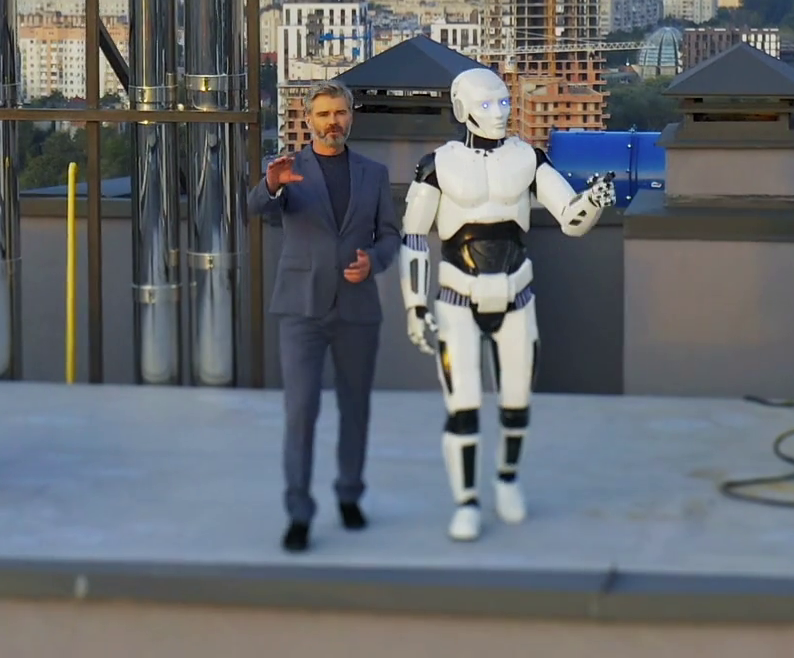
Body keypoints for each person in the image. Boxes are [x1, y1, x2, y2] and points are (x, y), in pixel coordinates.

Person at [398, 68, 615, 541]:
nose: (499, 113)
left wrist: (595, 201)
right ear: (462, 109)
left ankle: (508, 480)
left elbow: (571, 219)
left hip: (517, 293)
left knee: (517, 402)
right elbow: (413, 236)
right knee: (464, 405)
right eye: (487, 104)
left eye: (503, 102)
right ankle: (467, 501)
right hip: (458, 296)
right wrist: (415, 305)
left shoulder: (528, 159)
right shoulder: (437, 165)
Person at [248, 79, 402, 553]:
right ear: (308, 119)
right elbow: (255, 207)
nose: (332, 122)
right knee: (301, 412)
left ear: (350, 116)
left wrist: (373, 262)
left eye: (339, 113)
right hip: (301, 309)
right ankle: (299, 513)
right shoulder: (289, 169)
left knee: (355, 409)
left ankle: (350, 496)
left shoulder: (374, 174)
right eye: (323, 114)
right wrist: (271, 185)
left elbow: (390, 236)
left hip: (357, 308)